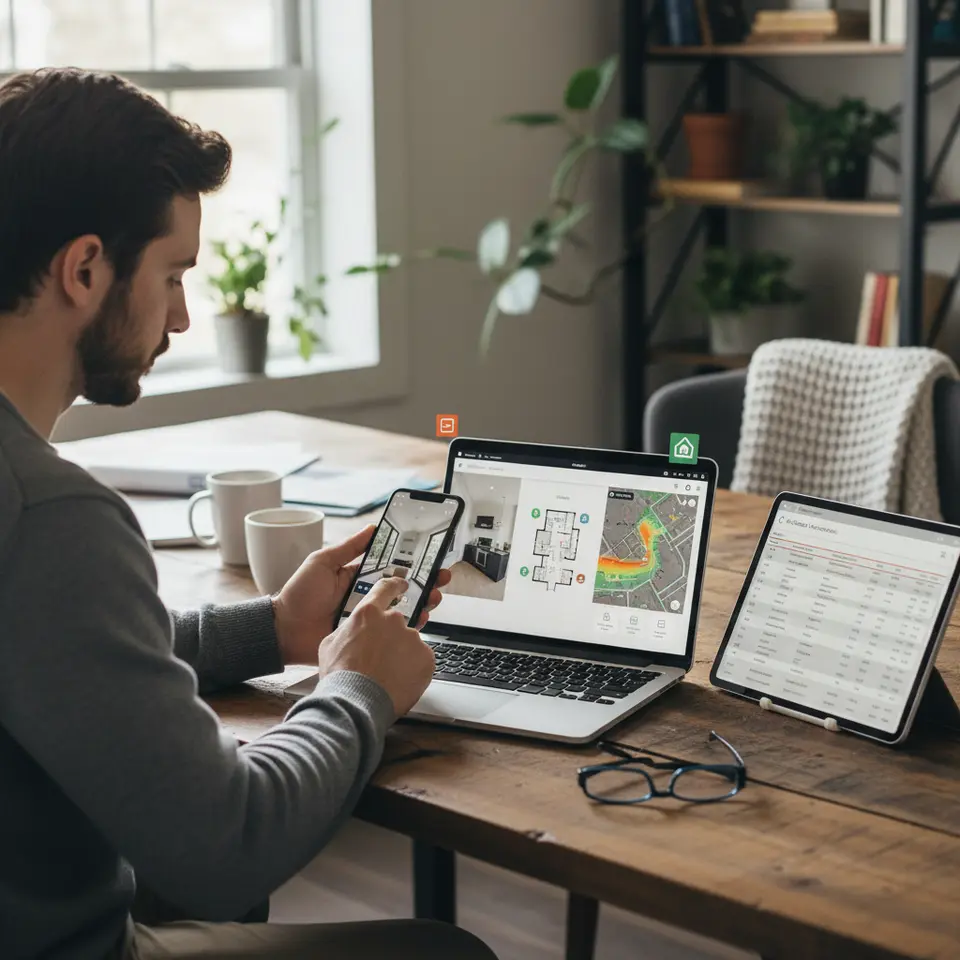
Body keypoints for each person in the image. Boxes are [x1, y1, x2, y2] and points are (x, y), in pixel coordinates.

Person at [0, 68, 497, 960]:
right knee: (446, 953)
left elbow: (59, 658)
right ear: (84, 269)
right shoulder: (48, 513)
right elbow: (230, 848)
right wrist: (360, 684)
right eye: (173, 274)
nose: (183, 318)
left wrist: (273, 628)